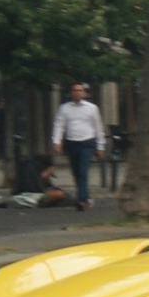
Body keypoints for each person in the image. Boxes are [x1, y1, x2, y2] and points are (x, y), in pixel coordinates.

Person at [51, 82, 103, 210]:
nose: (77, 93)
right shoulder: (64, 108)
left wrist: (100, 146)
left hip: (87, 141)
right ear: (71, 93)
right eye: (74, 90)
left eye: (80, 90)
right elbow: (59, 125)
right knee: (76, 171)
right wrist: (56, 141)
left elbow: (98, 127)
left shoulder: (92, 108)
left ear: (84, 93)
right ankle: (83, 195)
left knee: (83, 170)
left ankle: (82, 199)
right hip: (72, 142)